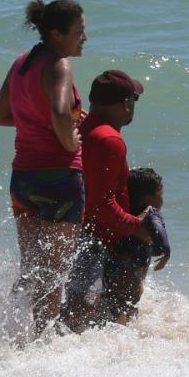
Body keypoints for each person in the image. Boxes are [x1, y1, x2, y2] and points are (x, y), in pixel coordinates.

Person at [0, 0, 87, 336]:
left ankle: (10, 335)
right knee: (54, 272)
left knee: (31, 267)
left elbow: (0, 117)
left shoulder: (20, 63)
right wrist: (71, 142)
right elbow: (61, 112)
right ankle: (42, 348)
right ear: (56, 34)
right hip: (59, 177)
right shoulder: (60, 65)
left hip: (23, 179)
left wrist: (38, 125)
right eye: (79, 31)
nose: (84, 37)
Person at [63, 69, 148, 331]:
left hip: (77, 230)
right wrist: (139, 227)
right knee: (94, 309)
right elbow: (102, 205)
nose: (134, 106)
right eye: (134, 98)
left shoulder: (83, 127)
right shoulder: (110, 139)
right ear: (125, 103)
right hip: (98, 239)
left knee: (79, 308)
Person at [103, 167, 170, 326]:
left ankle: (113, 334)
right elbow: (159, 230)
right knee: (129, 304)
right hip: (132, 268)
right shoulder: (149, 212)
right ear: (147, 198)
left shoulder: (124, 212)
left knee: (115, 302)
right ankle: (124, 338)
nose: (163, 199)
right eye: (160, 195)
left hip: (115, 263)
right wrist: (165, 251)